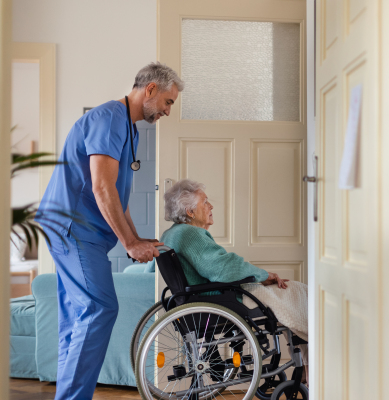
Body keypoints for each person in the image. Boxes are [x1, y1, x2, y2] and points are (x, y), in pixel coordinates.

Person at [35, 62, 184, 400]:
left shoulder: (129, 129)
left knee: (76, 318)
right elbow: (102, 187)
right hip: (73, 228)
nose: (168, 111)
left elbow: (118, 194)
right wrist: (129, 242)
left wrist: (136, 236)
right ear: (150, 90)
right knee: (100, 307)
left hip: (77, 230)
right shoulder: (109, 119)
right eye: (168, 102)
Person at [157, 179, 309, 382]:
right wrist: (264, 275)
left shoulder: (171, 234)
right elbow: (224, 269)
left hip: (200, 295)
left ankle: (309, 362)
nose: (211, 207)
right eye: (205, 202)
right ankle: (311, 368)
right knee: (297, 292)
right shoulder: (190, 234)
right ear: (190, 212)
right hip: (220, 296)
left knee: (297, 295)